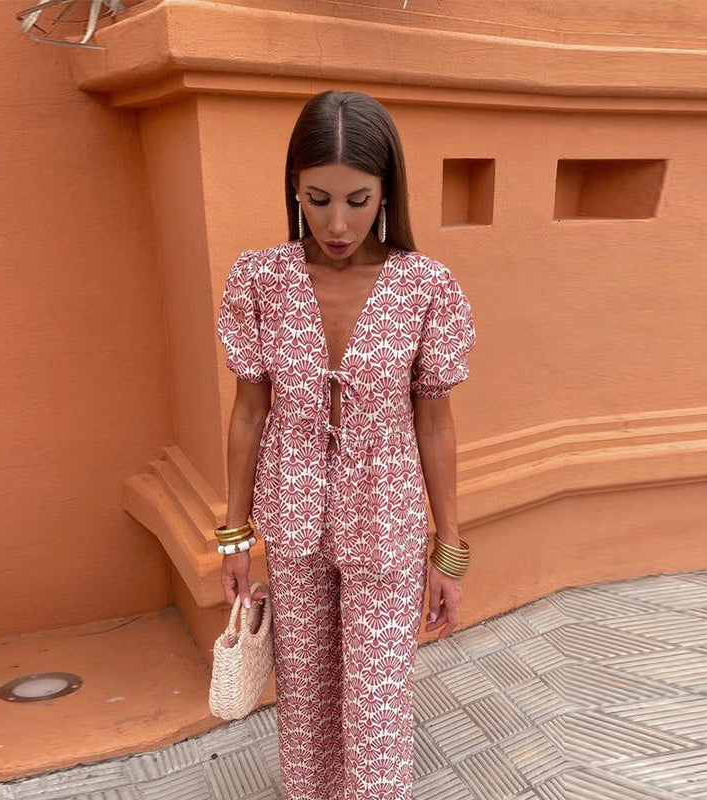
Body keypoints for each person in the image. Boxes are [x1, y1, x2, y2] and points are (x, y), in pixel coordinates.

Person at [216, 90, 477, 800]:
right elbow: (249, 412)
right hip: (291, 519)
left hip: (388, 523)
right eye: (318, 199)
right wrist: (234, 535)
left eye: (358, 200)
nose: (337, 223)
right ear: (294, 189)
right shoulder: (260, 280)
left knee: (377, 703)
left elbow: (435, 423)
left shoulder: (426, 288)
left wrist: (449, 551)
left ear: (387, 191)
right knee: (304, 694)